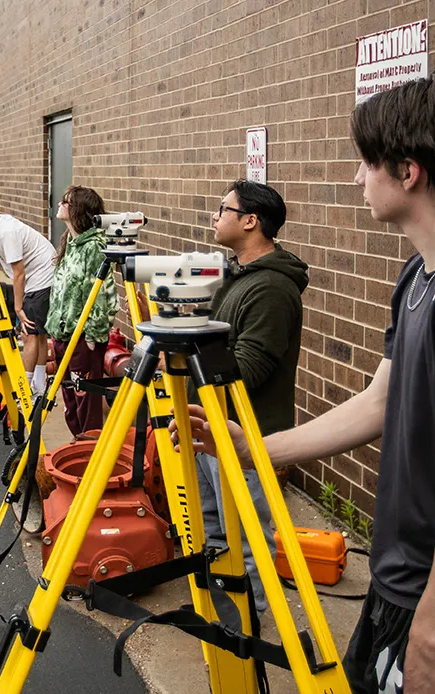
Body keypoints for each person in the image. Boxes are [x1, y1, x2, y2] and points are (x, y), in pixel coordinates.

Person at [180, 67, 435, 694]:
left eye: (367, 163)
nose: (358, 177)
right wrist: (254, 450)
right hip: (401, 589)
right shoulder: (422, 278)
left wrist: (432, 641)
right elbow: (380, 402)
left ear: (409, 172)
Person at [184, 179, 308, 616]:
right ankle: (223, 615)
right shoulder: (235, 274)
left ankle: (248, 628)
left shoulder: (272, 289)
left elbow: (250, 369)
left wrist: (187, 343)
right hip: (211, 427)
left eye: (223, 209)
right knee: (216, 533)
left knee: (249, 539)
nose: (215, 217)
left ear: (251, 221)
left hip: (246, 436)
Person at [0, 188, 56, 395]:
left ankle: (25, 388)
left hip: (41, 279)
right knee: (38, 333)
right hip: (40, 275)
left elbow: (19, 274)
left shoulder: (7, 232)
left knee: (29, 334)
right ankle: (40, 384)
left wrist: (18, 307)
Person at [44, 185, 118, 436]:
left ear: (78, 210)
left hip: (83, 339)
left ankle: (89, 448)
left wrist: (93, 337)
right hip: (64, 334)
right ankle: (78, 441)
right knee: (69, 395)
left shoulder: (94, 247)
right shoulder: (71, 242)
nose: (59, 205)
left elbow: (102, 295)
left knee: (85, 396)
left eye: (65, 202)